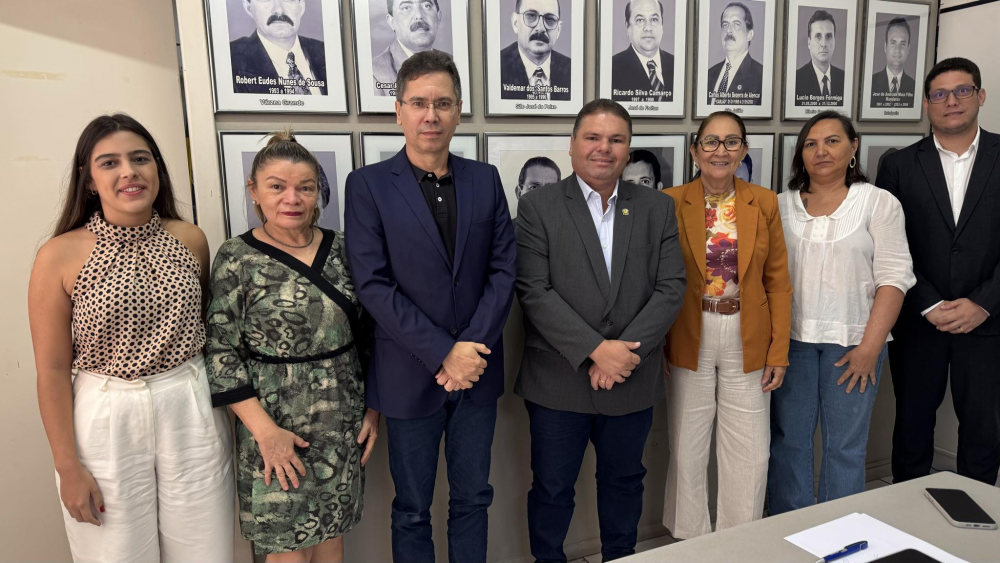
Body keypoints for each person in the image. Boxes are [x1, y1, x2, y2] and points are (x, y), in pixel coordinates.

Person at [28, 114, 234, 562]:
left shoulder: (190, 240)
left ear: (157, 168)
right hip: (106, 415)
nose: (129, 172)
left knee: (205, 550)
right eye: (110, 163)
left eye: (140, 159)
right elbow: (52, 369)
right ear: (89, 180)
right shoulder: (59, 255)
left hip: (189, 405)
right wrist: (67, 465)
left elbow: (206, 328)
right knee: (115, 553)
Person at [345, 51, 517, 563]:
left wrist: (468, 352)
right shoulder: (368, 186)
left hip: (476, 373)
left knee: (473, 499)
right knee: (411, 509)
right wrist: (446, 353)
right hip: (408, 375)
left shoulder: (485, 179)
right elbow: (373, 285)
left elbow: (503, 272)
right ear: (398, 110)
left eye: (442, 103)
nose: (430, 115)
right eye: (418, 103)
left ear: (458, 111)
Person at [515, 99, 686, 562]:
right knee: (552, 489)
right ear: (572, 145)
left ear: (628, 149)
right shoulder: (538, 207)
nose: (603, 148)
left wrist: (622, 355)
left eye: (616, 140)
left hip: (632, 376)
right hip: (558, 380)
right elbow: (533, 290)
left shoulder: (657, 208)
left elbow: (671, 288)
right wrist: (596, 350)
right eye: (592, 137)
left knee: (625, 483)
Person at [206, 131, 378, 561]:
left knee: (332, 538)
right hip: (272, 424)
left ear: (318, 191)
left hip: (340, 419)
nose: (292, 198)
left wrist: (373, 409)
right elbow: (221, 353)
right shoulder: (236, 257)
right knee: (286, 548)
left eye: (305, 187)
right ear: (254, 190)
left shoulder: (344, 249)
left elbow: (371, 336)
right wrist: (266, 434)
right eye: (277, 187)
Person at [768, 111, 915, 515]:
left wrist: (870, 347)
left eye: (832, 141)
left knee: (845, 447)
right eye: (811, 144)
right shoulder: (779, 205)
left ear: (853, 147)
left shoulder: (878, 202)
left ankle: (839, 531)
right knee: (788, 441)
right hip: (791, 344)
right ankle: (787, 526)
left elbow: (894, 278)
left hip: (853, 344)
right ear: (801, 154)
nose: (821, 151)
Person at [661, 110, 792, 539]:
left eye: (731, 142)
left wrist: (778, 352)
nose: (721, 151)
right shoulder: (669, 201)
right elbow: (656, 280)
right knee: (687, 446)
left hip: (747, 332)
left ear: (744, 150)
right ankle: (690, 539)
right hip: (688, 330)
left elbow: (778, 282)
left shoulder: (764, 202)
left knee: (750, 450)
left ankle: (741, 540)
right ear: (695, 150)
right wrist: (657, 343)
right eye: (711, 142)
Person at [878, 57, 1000, 487]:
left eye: (962, 90)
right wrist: (928, 303)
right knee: (911, 428)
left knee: (984, 431)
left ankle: (977, 519)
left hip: (989, 323)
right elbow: (889, 247)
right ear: (927, 104)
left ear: (980, 96)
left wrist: (983, 303)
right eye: (940, 94)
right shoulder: (898, 166)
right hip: (918, 322)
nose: (952, 101)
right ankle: (905, 515)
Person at [230, 0, 327, 95]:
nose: (279, 10)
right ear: (248, 8)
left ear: (301, 7)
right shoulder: (229, 60)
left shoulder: (327, 52)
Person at [500, 0, 571, 101]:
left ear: (558, 30)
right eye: (531, 16)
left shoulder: (571, 70)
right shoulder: (497, 66)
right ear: (516, 23)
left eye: (549, 19)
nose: (540, 28)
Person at [373, 0, 444, 96]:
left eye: (426, 6)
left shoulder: (453, 64)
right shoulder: (374, 74)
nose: (419, 15)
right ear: (391, 22)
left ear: (438, 17)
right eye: (406, 8)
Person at [610, 0, 675, 103]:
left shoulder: (676, 65)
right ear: (627, 26)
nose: (648, 28)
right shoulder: (612, 68)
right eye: (640, 20)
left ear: (661, 25)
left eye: (654, 19)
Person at [706, 2, 763, 106]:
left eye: (736, 24)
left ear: (749, 34)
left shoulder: (761, 77)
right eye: (725, 25)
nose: (728, 30)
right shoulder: (709, 74)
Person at [794, 10, 844, 102]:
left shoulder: (844, 79)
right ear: (809, 43)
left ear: (834, 42)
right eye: (818, 36)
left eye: (828, 36)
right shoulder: (796, 80)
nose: (823, 44)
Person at [870, 17, 916, 107]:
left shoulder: (915, 87)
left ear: (908, 49)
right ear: (885, 47)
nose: (897, 49)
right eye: (893, 43)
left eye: (902, 44)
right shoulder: (870, 83)